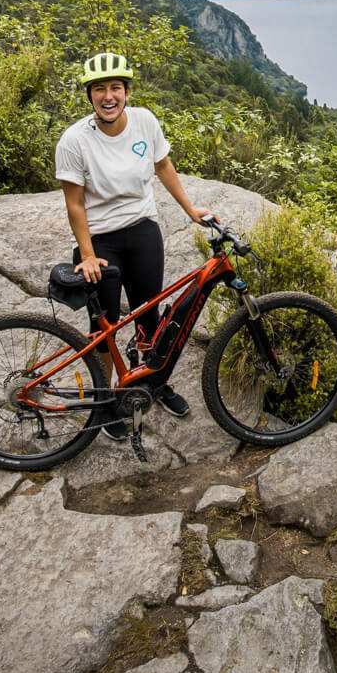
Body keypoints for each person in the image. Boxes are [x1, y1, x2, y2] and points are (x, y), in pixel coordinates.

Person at [54, 51, 216, 439]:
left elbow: (163, 166)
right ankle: (106, 401)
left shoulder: (145, 122)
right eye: (99, 90)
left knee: (149, 315)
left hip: (143, 230)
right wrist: (89, 254)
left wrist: (191, 209)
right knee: (103, 327)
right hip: (102, 239)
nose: (108, 97)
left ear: (126, 91)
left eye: (115, 88)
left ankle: (153, 384)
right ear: (89, 95)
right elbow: (74, 203)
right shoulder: (75, 140)